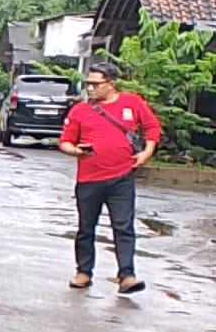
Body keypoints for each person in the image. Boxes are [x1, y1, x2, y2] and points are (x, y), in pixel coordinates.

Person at [59, 60, 160, 295]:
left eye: (96, 84)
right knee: (86, 228)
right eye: (88, 84)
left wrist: (147, 152)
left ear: (111, 84)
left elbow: (152, 127)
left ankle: (127, 275)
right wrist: (76, 151)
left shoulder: (132, 102)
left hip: (121, 178)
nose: (90, 88)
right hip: (89, 179)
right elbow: (65, 141)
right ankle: (83, 272)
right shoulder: (80, 110)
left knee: (124, 227)